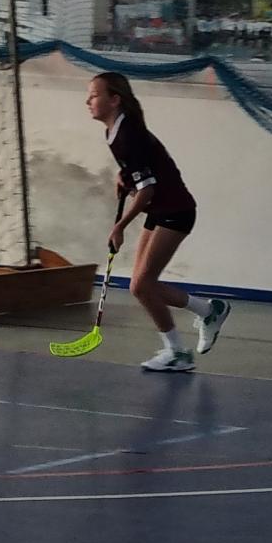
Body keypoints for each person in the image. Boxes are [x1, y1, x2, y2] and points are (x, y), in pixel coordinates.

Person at [85, 72, 231, 372]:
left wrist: (120, 227)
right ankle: (205, 315)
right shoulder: (116, 131)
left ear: (114, 100)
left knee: (142, 285)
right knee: (140, 287)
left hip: (176, 210)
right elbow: (145, 168)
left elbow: (148, 189)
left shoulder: (128, 134)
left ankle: (180, 349)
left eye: (95, 95)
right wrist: (124, 177)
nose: (88, 101)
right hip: (160, 209)